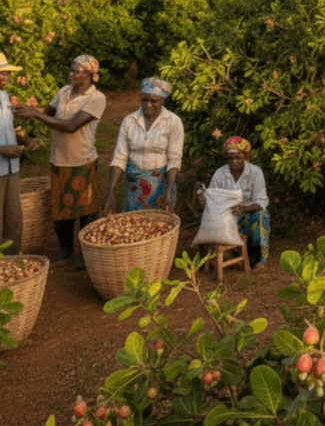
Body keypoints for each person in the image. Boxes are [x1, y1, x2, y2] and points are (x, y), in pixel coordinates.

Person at [13, 56, 106, 266]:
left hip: (82, 160)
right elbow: (48, 113)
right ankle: (66, 248)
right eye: (71, 70)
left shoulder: (97, 98)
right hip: (59, 159)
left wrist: (35, 114)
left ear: (91, 75)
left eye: (77, 71)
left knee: (86, 210)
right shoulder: (64, 91)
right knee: (60, 210)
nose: (71, 74)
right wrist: (28, 116)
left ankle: (84, 252)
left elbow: (71, 126)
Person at [104, 78, 184, 215]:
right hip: (134, 186)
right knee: (134, 226)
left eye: (154, 101)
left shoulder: (173, 122)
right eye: (144, 100)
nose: (148, 105)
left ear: (162, 100)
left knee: (158, 227)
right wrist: (110, 193)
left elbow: (174, 159)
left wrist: (169, 192)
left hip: (161, 186)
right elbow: (120, 158)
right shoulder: (129, 121)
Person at [197, 137, 270, 269]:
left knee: (262, 215)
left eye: (238, 158)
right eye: (230, 158)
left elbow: (261, 201)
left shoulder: (255, 172)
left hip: (248, 216)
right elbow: (212, 196)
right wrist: (204, 199)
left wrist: (244, 209)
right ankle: (219, 254)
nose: (234, 161)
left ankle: (259, 258)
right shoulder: (220, 173)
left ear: (245, 157)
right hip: (226, 217)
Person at [0, 54, 38, 254]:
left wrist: (25, 139)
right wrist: (2, 149)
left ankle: (12, 261)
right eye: (2, 72)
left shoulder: (4, 96)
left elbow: (9, 130)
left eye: (7, 72)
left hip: (11, 168)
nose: (6, 75)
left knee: (13, 217)